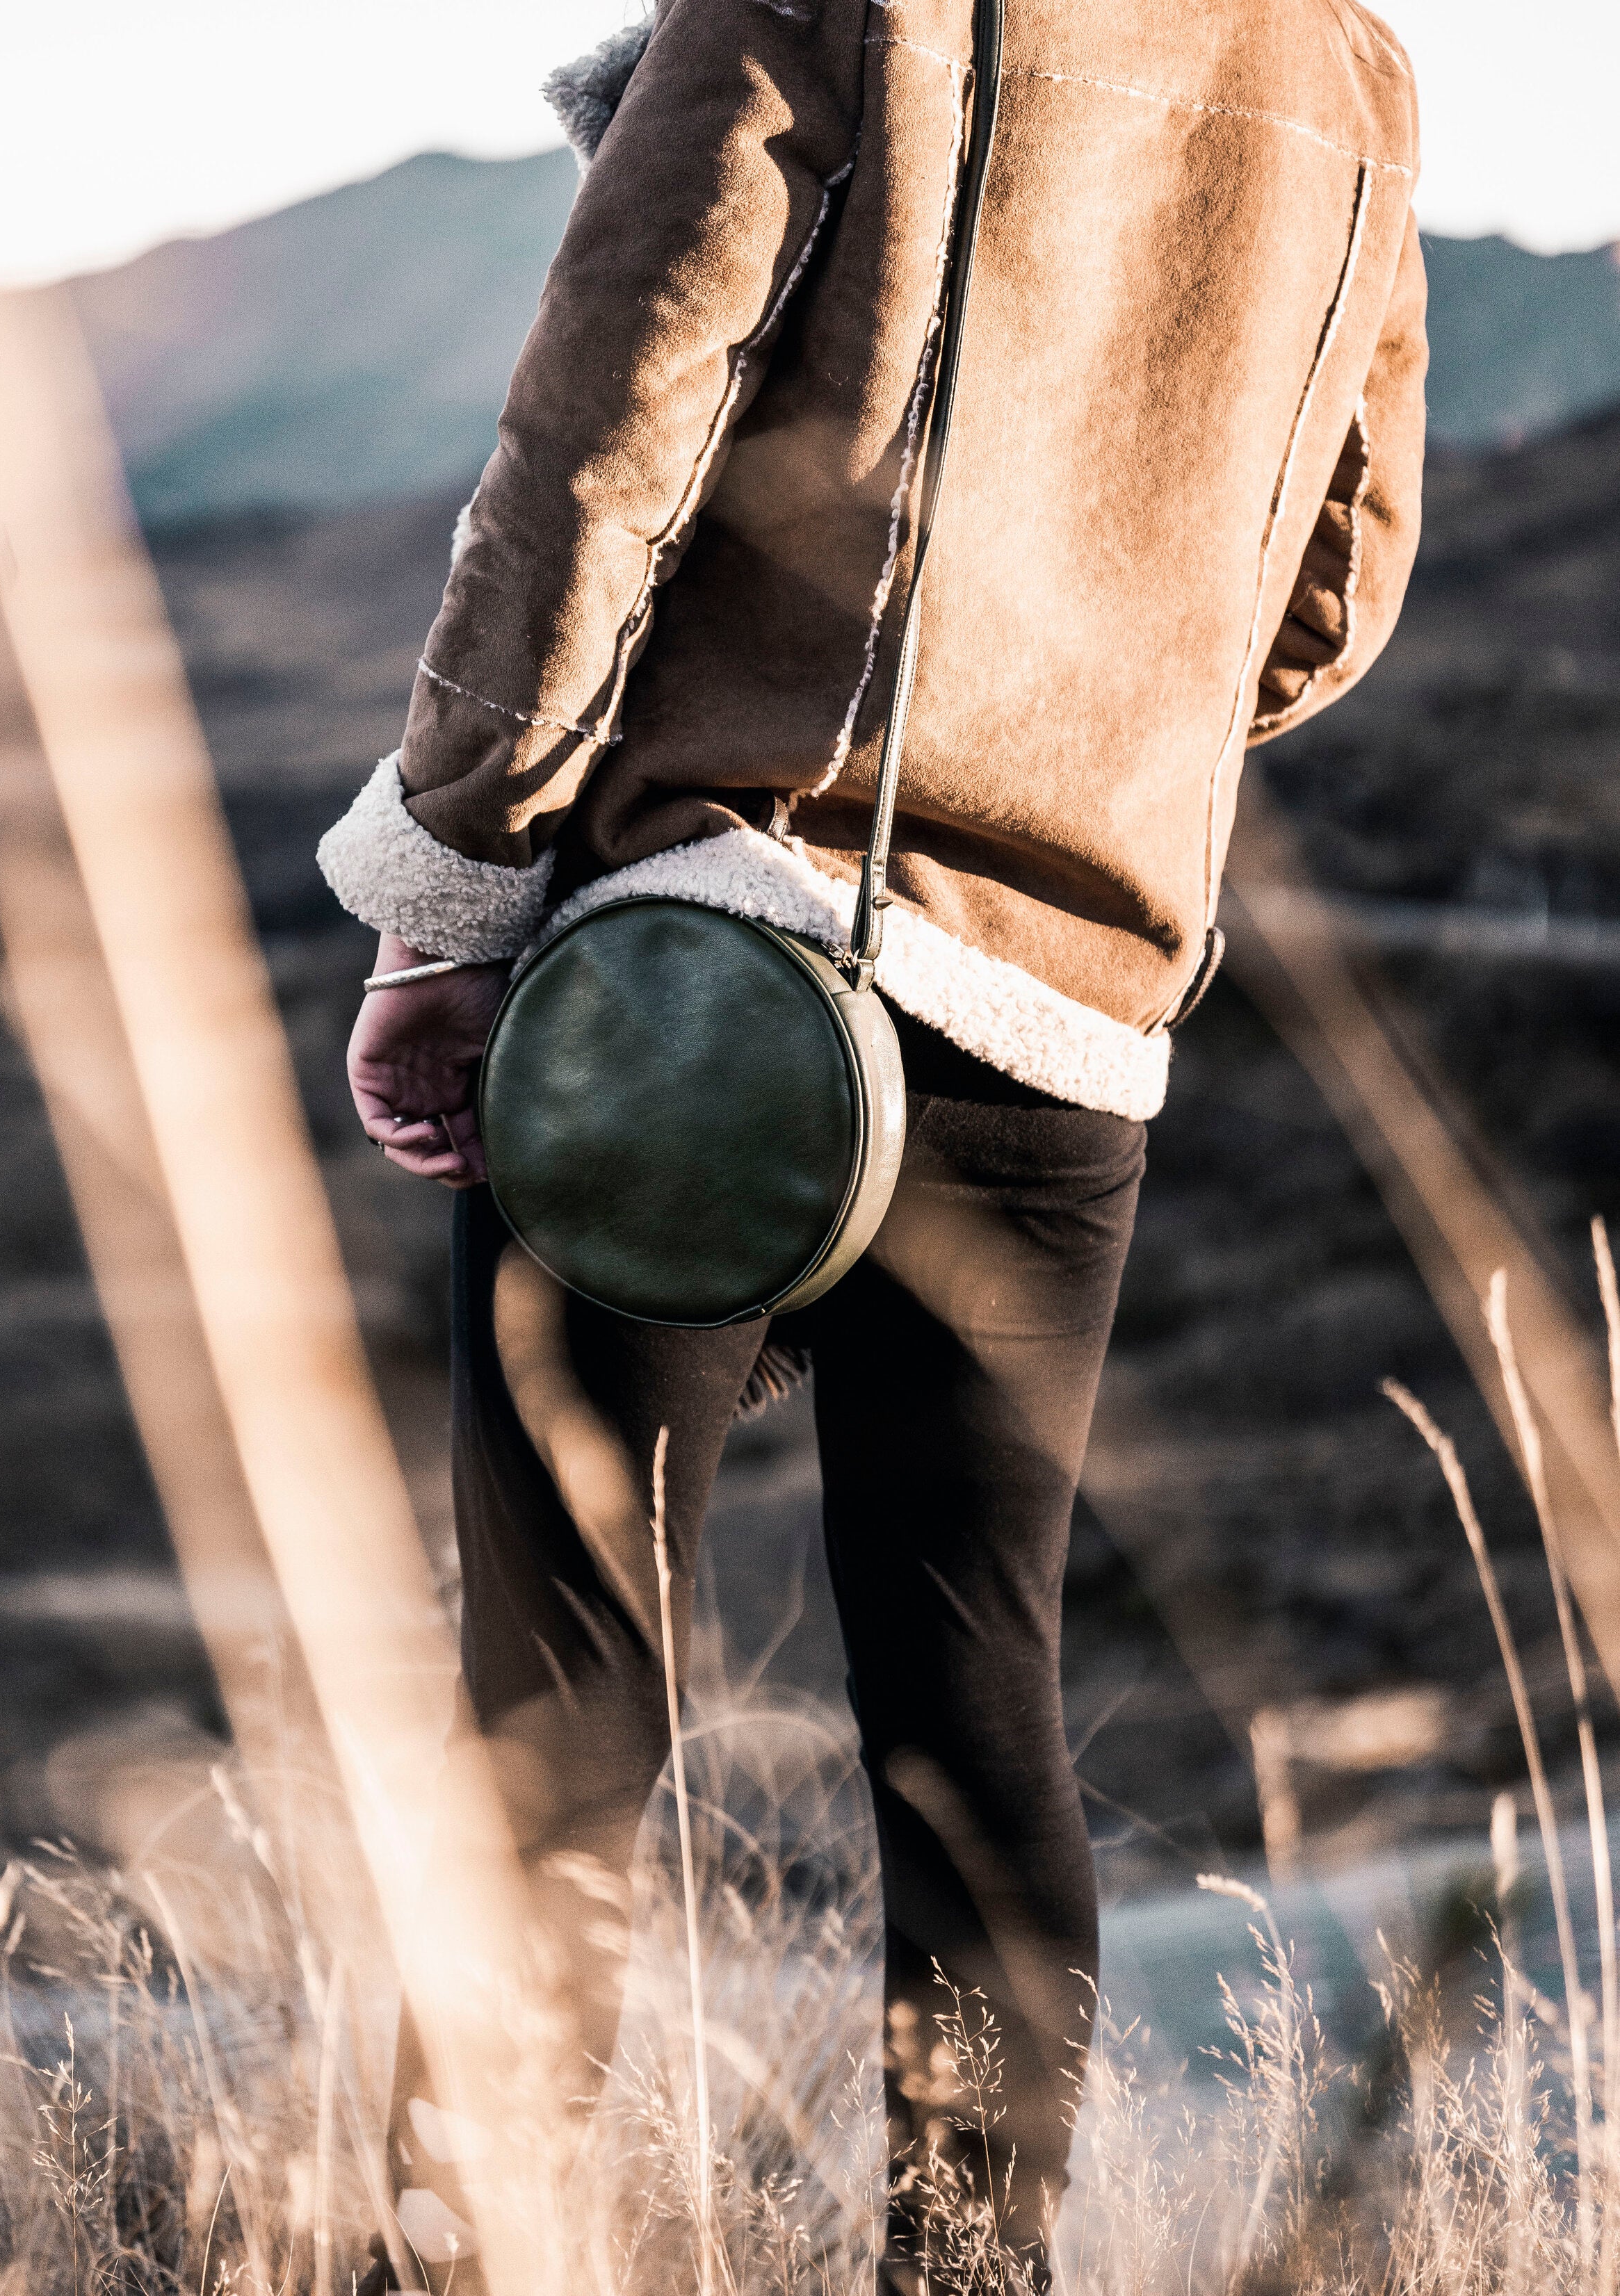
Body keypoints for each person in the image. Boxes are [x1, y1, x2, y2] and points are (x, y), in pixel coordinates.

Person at [319, 0, 1426, 2282]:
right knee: (971, 1680)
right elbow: (1329, 588)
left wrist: (448, 878)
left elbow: (597, 446)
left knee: (565, 1681)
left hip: (704, 963)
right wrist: (1088, 729)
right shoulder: (1347, 64)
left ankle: (463, 2257)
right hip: (1066, 1001)